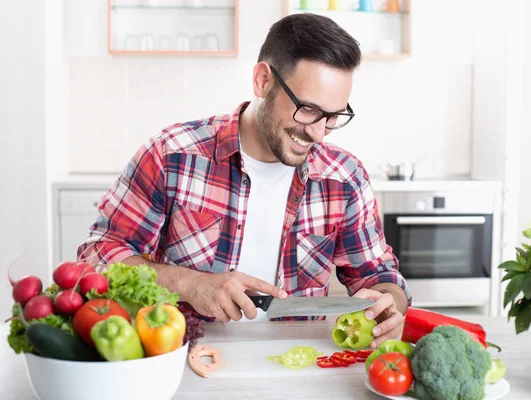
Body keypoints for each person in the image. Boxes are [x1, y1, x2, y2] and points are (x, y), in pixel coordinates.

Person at [77, 13, 411, 348]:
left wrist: (389, 303)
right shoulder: (172, 154)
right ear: (263, 80)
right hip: (187, 355)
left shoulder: (345, 177)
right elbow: (98, 257)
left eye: (333, 117)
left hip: (298, 362)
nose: (318, 133)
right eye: (308, 109)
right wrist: (190, 284)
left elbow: (377, 274)